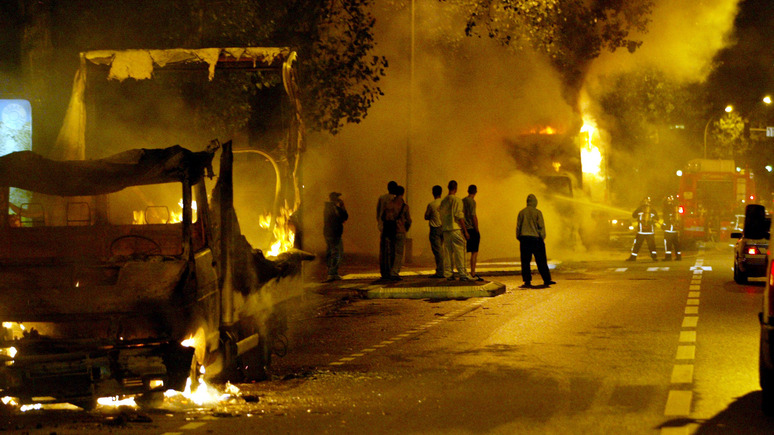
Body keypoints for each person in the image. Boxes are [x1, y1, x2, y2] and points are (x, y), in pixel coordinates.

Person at [516, 193, 554, 288]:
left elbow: (518, 227)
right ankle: (546, 279)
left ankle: (527, 281)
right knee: (541, 260)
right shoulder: (537, 212)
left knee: (525, 261)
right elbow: (541, 227)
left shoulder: (521, 213)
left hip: (524, 239)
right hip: (536, 239)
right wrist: (542, 238)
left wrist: (519, 237)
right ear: (534, 202)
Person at [439, 180, 472, 281]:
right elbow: (459, 216)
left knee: (448, 253)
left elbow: (441, 214)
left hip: (446, 230)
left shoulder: (443, 201)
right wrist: (465, 231)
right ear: (456, 188)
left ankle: (448, 273)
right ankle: (463, 274)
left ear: (448, 187)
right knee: (460, 252)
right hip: (455, 229)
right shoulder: (457, 200)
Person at [384, 185, 411, 280]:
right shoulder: (404, 206)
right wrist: (405, 228)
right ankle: (394, 273)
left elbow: (385, 218)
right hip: (400, 231)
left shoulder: (389, 204)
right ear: (403, 193)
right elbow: (409, 220)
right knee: (399, 253)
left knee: (391, 252)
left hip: (391, 231)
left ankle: (390, 271)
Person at [323, 192, 348, 282]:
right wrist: (342, 206)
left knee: (330, 252)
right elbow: (345, 216)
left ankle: (331, 272)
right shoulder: (333, 208)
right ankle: (332, 273)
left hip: (329, 233)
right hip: (334, 233)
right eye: (337, 197)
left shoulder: (327, 208)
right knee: (337, 253)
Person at [627, 196, 659, 262]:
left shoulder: (640, 209)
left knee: (637, 245)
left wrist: (639, 208)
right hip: (649, 232)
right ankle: (654, 258)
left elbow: (634, 215)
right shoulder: (652, 210)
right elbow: (657, 218)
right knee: (651, 245)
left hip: (641, 231)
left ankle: (633, 257)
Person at [377, 181, 399, 279]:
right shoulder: (394, 199)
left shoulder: (381, 198)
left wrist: (379, 223)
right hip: (392, 225)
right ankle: (391, 270)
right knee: (393, 249)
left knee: (383, 250)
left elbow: (378, 212)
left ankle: (384, 271)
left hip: (383, 225)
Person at [463, 184, 483, 281]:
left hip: (464, 228)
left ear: (468, 191)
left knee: (464, 251)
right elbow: (473, 216)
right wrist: (477, 229)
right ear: (475, 192)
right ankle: (473, 272)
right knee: (474, 252)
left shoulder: (463, 200)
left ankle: (463, 271)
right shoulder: (472, 202)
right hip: (471, 228)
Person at [424, 185, 444, 278]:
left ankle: (440, 271)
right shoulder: (444, 203)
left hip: (435, 229)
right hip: (444, 228)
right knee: (441, 250)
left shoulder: (431, 204)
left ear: (433, 193)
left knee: (437, 251)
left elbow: (426, 216)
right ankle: (444, 270)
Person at [662, 195, 682, 261]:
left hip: (668, 230)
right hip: (675, 230)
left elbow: (666, 219)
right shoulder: (675, 208)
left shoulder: (666, 209)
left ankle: (668, 257)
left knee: (668, 244)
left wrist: (664, 225)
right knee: (676, 244)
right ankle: (679, 256)